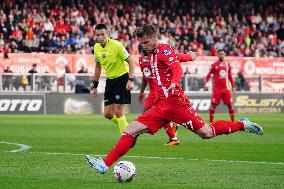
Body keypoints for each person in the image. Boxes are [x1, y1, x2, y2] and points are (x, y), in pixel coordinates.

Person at [86, 24, 263, 174]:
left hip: (177, 103)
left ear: (155, 38)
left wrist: (174, 82)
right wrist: (189, 56)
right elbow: (177, 58)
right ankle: (104, 165)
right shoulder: (150, 55)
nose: (144, 46)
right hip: (161, 105)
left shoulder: (163, 49)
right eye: (141, 43)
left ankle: (242, 124)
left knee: (206, 133)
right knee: (130, 130)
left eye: (146, 42)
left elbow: (176, 68)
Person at [138, 51, 197, 146]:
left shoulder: (157, 55)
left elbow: (177, 58)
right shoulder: (141, 59)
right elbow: (144, 76)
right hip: (153, 91)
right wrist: (141, 92)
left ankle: (173, 136)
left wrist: (189, 56)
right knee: (147, 114)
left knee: (158, 115)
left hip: (160, 90)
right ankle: (173, 132)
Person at [91, 24, 135, 134]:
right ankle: (128, 128)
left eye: (103, 34)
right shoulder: (96, 47)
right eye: (98, 35)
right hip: (110, 81)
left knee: (118, 111)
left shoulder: (117, 45)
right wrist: (95, 85)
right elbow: (98, 66)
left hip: (122, 80)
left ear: (108, 34)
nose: (100, 37)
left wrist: (130, 80)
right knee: (107, 114)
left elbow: (131, 62)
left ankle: (127, 138)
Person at [204, 49, 235, 123]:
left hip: (226, 89)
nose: (222, 55)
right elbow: (208, 75)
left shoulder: (227, 65)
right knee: (213, 105)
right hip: (217, 89)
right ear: (217, 55)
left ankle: (233, 122)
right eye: (220, 54)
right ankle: (211, 123)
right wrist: (206, 83)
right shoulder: (214, 65)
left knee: (230, 105)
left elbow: (230, 76)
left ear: (224, 55)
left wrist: (233, 85)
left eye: (223, 54)